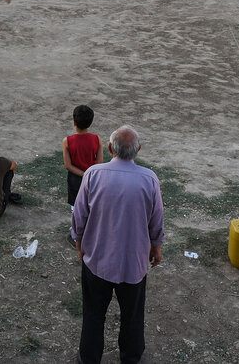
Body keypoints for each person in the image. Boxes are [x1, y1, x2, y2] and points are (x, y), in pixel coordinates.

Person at [71, 125, 163, 364]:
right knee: (132, 316)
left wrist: (80, 243)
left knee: (93, 314)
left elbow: (79, 216)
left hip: (97, 261)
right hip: (133, 264)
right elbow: (156, 221)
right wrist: (156, 248)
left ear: (110, 148)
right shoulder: (149, 179)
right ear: (138, 150)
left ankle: (89, 358)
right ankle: (131, 357)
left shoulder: (93, 174)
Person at [63, 105, 103, 208]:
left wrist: (83, 174)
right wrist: (89, 174)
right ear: (90, 122)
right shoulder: (96, 139)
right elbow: (100, 163)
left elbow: (68, 165)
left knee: (75, 206)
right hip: (93, 178)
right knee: (91, 205)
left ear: (74, 122)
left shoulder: (67, 141)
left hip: (75, 180)